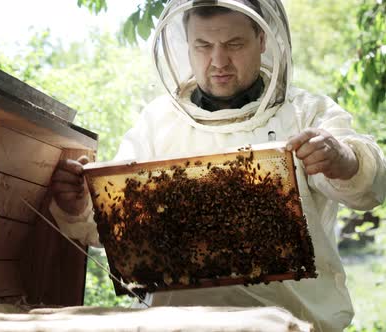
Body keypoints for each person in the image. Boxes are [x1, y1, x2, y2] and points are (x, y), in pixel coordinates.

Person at [48, 0, 386, 331]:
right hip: (174, 326)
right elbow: (111, 229)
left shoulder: (306, 113)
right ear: (187, 45)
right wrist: (78, 206)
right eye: (203, 45)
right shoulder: (157, 122)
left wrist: (344, 160)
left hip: (290, 325)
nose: (218, 60)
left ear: (263, 40)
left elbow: (371, 188)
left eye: (234, 44)